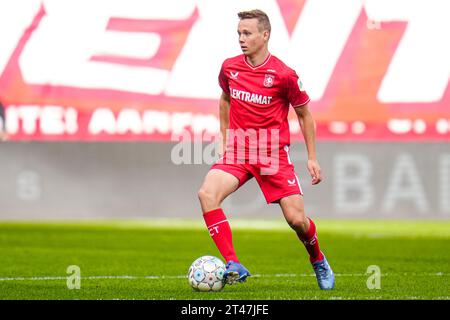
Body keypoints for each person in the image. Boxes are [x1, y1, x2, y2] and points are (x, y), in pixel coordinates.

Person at [197, 9, 335, 290]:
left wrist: (311, 157)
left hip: (272, 155)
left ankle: (317, 258)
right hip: (238, 151)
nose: (241, 39)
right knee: (206, 194)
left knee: (297, 221)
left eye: (247, 33)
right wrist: (224, 137)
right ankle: (233, 263)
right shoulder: (230, 67)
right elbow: (225, 99)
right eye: (238, 33)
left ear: (265, 35)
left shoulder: (284, 75)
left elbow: (305, 115)